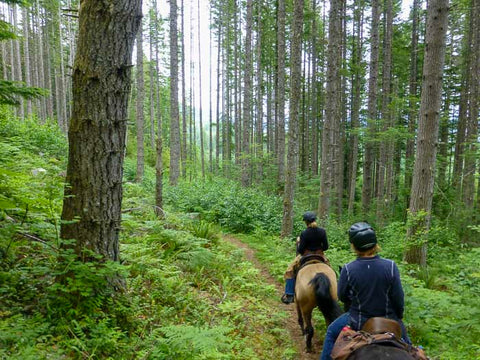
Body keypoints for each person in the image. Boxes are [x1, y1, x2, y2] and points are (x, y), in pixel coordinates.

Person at [319, 222, 410, 360]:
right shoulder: (391, 266)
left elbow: (342, 296)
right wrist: (399, 316)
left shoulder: (348, 269)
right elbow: (398, 298)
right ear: (375, 244)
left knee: (332, 331)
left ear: (354, 246)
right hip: (389, 319)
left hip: (358, 321)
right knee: (411, 349)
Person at [281, 211, 329, 304]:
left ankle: (289, 294)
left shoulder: (304, 233)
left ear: (306, 222)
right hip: (320, 255)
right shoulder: (322, 231)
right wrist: (318, 250)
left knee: (290, 270)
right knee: (330, 269)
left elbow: (301, 250)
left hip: (306, 255)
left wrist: (298, 243)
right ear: (315, 220)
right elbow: (326, 246)